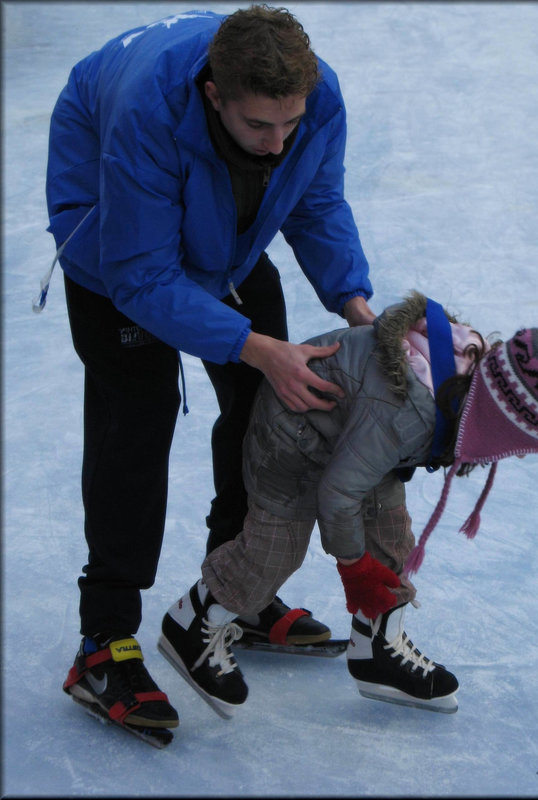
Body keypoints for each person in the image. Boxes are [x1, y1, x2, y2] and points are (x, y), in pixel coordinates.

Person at [45, 6, 377, 739]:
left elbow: (317, 204)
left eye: (290, 123)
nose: (279, 141)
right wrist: (257, 344)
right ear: (213, 95)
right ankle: (104, 641)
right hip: (114, 240)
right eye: (261, 126)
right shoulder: (146, 118)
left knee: (270, 403)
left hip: (218, 222)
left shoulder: (311, 99)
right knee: (138, 414)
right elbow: (140, 275)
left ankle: (234, 592)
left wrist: (360, 311)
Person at [158, 290, 538, 717]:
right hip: (292, 435)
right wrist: (354, 569)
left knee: (391, 532)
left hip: (354, 435)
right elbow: (338, 496)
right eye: (514, 444)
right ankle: (192, 621)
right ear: (496, 418)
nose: (512, 455)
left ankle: (375, 651)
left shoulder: (465, 381)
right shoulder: (409, 411)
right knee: (276, 550)